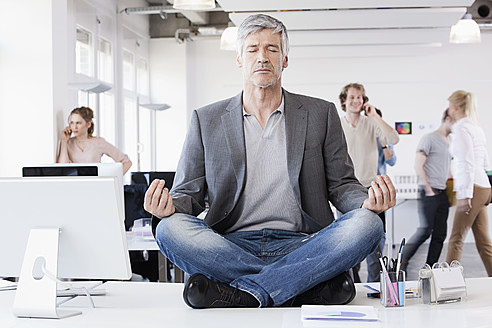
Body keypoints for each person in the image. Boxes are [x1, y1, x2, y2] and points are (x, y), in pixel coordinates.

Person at [144, 14, 395, 309]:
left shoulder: (320, 114)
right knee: (168, 229)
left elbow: (342, 185)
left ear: (285, 59)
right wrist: (169, 206)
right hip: (229, 244)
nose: (262, 57)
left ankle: (244, 293)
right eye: (252, 49)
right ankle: (300, 286)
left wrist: (365, 203)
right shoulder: (206, 119)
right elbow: (189, 193)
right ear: (239, 58)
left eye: (272, 49)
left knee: (368, 224)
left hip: (303, 243)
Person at [338, 84, 400, 282]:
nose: (357, 101)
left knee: (376, 242)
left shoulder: (371, 123)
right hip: (346, 189)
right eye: (353, 97)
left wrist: (374, 115)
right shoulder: (337, 124)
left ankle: (375, 285)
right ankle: (352, 285)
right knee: (348, 242)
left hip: (371, 190)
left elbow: (394, 138)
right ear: (344, 101)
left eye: (361, 97)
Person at [400, 109, 454, 272]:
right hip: (429, 192)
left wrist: (452, 191)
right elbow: (418, 165)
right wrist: (428, 188)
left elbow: (447, 168)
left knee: (440, 234)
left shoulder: (450, 141)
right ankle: (402, 260)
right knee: (425, 230)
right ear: (448, 118)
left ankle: (430, 268)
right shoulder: (429, 138)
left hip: (443, 191)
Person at [445, 90, 492, 276]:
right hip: (483, 187)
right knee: (483, 240)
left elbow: (467, 162)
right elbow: (486, 161)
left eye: (449, 105)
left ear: (455, 107)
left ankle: (447, 282)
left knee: (456, 238)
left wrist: (465, 195)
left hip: (473, 188)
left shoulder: (461, 128)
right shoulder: (476, 127)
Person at [363, 109, 397, 282]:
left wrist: (382, 143)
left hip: (378, 191)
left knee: (377, 239)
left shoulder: (380, 137)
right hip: (360, 189)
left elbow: (391, 160)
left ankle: (374, 284)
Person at [57, 106, 132, 174]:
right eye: (72, 123)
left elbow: (127, 162)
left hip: (96, 187)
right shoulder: (68, 143)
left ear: (88, 124)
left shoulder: (98, 142)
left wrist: (112, 180)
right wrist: (64, 140)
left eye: (78, 123)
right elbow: (62, 167)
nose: (74, 127)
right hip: (74, 187)